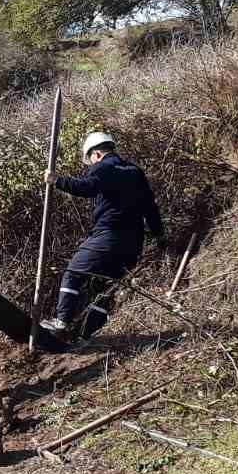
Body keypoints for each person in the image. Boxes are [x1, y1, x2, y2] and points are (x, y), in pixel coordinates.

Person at [41, 131, 164, 340]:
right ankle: (88, 335)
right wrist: (159, 235)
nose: (90, 166)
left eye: (90, 160)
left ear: (96, 153)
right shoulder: (135, 171)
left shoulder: (104, 167)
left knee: (73, 271)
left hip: (108, 236)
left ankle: (61, 321)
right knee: (104, 286)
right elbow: (150, 208)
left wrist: (56, 180)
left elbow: (87, 187)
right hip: (133, 243)